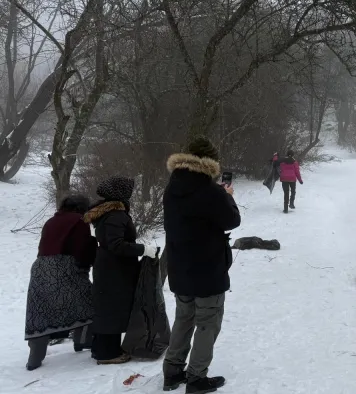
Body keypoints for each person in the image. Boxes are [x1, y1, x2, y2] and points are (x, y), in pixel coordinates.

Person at [162, 137, 241, 393]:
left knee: (184, 318)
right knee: (207, 322)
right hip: (207, 269)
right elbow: (232, 221)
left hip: (179, 265)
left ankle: (172, 371)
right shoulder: (211, 190)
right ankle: (196, 378)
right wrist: (227, 196)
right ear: (210, 161)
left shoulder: (172, 186)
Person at [84, 176, 159, 365]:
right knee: (112, 307)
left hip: (111, 266)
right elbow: (115, 244)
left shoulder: (108, 212)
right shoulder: (116, 214)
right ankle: (107, 353)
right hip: (114, 268)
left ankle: (101, 348)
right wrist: (143, 249)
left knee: (108, 305)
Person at [25, 195, 97, 371]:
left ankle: (34, 359)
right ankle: (83, 341)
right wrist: (89, 260)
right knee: (89, 301)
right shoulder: (80, 221)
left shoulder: (51, 221)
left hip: (40, 268)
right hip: (63, 267)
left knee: (40, 312)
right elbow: (81, 249)